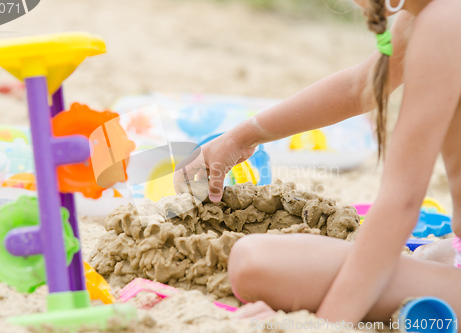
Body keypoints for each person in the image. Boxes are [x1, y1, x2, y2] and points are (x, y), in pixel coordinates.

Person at [173, 0, 461, 324]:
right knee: (429, 256)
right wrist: (239, 138)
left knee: (255, 263)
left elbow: (401, 202)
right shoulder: (430, 15)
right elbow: (358, 87)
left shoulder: (445, 22)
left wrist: (321, 325)